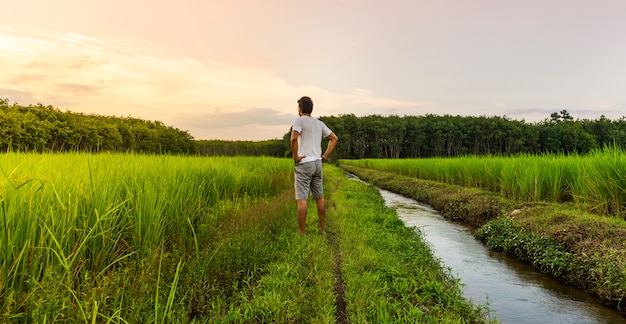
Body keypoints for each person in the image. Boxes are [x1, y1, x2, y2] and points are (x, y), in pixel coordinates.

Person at [290, 96, 338, 235]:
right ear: (311, 109)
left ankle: (301, 231)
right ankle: (322, 229)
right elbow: (334, 138)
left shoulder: (299, 120)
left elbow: (293, 139)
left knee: (302, 199)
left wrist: (295, 157)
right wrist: (325, 155)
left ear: (300, 109)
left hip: (304, 163)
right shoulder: (319, 123)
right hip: (317, 163)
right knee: (319, 197)